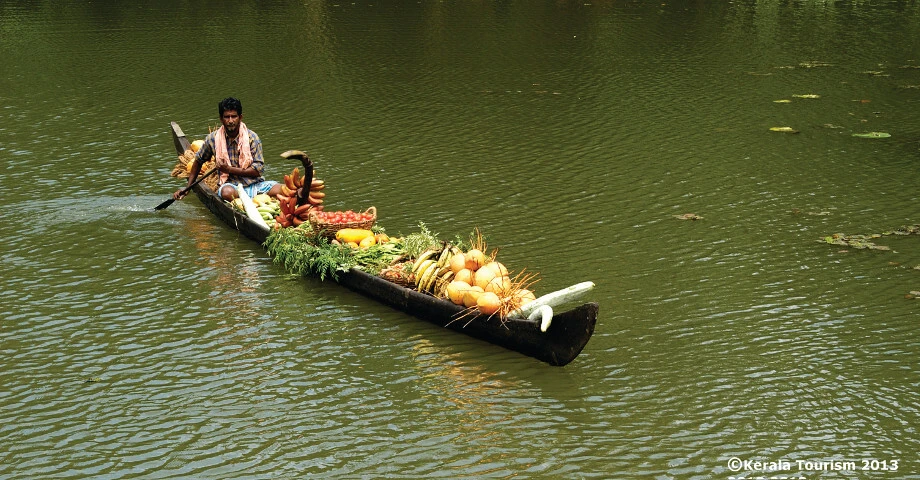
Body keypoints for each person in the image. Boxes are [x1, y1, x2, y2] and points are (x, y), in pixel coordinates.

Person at [173, 97, 282, 202]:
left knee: (284, 189)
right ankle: (244, 203)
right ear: (221, 119)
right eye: (227, 117)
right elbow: (198, 161)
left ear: (240, 117)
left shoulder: (252, 138)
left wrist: (228, 169)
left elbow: (258, 171)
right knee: (226, 193)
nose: (230, 121)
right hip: (231, 186)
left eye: (234, 116)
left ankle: (249, 199)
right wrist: (187, 188)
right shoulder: (213, 139)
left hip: (255, 185)